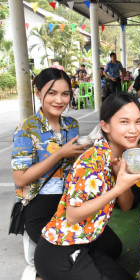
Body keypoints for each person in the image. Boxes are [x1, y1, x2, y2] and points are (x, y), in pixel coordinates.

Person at [34, 93, 140, 279]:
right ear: (105, 126)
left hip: (86, 243)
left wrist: (121, 178)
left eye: (138, 122)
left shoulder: (118, 157)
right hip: (61, 250)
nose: (134, 129)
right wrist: (118, 187)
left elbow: (127, 206)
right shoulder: (90, 161)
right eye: (124, 122)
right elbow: (72, 216)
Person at [11, 68, 88, 279]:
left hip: (69, 204)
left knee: (108, 247)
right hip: (39, 207)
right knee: (71, 255)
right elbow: (20, 178)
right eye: (52, 93)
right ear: (38, 93)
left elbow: (75, 166)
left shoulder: (71, 125)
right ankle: (36, 272)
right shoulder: (27, 129)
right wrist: (60, 153)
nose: (59, 100)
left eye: (65, 94)